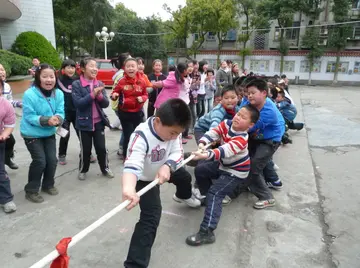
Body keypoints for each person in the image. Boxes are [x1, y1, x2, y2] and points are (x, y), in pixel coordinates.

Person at [122, 99, 200, 268]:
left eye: (178, 133)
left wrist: (168, 166)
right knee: (151, 218)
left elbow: (178, 152)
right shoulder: (141, 135)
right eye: (172, 133)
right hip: (144, 179)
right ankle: (134, 264)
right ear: (158, 121)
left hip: (165, 168)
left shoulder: (174, 132)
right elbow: (132, 164)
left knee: (184, 178)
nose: (175, 136)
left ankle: (183, 195)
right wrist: (129, 188)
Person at [186, 105, 259, 245]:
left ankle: (207, 232)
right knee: (200, 171)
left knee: (216, 193)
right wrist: (203, 142)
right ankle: (209, 201)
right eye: (238, 114)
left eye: (243, 117)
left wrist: (204, 154)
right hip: (223, 165)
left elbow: (223, 151)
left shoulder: (242, 139)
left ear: (250, 125)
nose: (238, 117)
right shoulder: (227, 124)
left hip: (236, 172)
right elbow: (214, 132)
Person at [20, 64, 65, 203]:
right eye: (44, 76)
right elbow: (29, 116)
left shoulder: (59, 93)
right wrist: (46, 120)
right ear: (38, 77)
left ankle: (48, 185)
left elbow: (61, 110)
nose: (49, 80)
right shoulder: (30, 94)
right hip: (31, 133)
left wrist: (58, 118)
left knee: (52, 160)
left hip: (49, 133)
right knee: (40, 161)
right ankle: (31, 190)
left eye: (51, 76)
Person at [72, 57, 114, 180]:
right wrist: (92, 94)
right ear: (83, 69)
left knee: (101, 148)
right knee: (85, 150)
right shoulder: (77, 84)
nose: (95, 68)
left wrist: (99, 95)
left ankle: (105, 168)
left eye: (96, 66)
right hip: (84, 123)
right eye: (91, 66)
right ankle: (83, 169)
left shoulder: (99, 83)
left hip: (98, 123)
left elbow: (106, 104)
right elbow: (78, 104)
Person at [110, 58, 148, 159]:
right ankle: (126, 156)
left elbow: (145, 94)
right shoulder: (121, 81)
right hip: (125, 113)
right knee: (128, 135)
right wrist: (114, 95)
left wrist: (142, 98)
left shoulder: (142, 81)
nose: (130, 68)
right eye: (128, 66)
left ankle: (137, 154)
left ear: (137, 68)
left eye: (133, 66)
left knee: (137, 135)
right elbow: (114, 91)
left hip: (138, 113)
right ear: (124, 68)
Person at [0, 63, 21, 169]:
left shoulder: (7, 86)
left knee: (10, 141)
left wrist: (18, 104)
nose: (1, 72)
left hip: (5, 122)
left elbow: (9, 101)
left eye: (2, 69)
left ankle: (7, 160)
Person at [0, 91, 17, 213]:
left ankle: (6, 199)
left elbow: (10, 124)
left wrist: (4, 135)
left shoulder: (5, 104)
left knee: (0, 172)